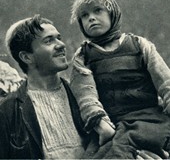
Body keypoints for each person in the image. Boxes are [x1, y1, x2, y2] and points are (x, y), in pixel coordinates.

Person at [0, 14, 168, 160]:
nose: (61, 44)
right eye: (49, 40)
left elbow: (134, 133)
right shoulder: (8, 111)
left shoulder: (90, 99)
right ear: (26, 57)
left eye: (58, 37)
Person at [70, 0, 170, 159]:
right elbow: (85, 94)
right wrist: (100, 123)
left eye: (97, 10)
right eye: (85, 16)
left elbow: (165, 81)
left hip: (150, 119)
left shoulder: (139, 45)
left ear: (112, 14)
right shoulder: (83, 56)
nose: (91, 18)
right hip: (112, 123)